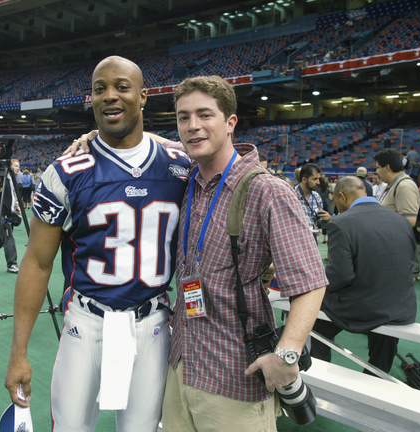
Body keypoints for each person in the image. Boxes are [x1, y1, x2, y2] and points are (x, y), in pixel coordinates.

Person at [5, 56, 190, 432]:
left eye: (122, 87)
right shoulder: (66, 171)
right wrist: (18, 352)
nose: (110, 96)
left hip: (150, 322)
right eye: (99, 88)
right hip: (87, 323)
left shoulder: (182, 165)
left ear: (143, 96)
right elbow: (37, 263)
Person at [162, 76, 326, 432]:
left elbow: (311, 283)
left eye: (205, 115)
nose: (193, 126)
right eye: (183, 117)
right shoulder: (189, 179)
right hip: (182, 364)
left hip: (234, 374)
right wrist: (93, 138)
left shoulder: (267, 190)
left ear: (231, 122)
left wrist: (287, 355)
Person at [310, 176, 416, 375]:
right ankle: (377, 376)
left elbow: (340, 276)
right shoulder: (401, 221)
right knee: (385, 335)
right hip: (402, 306)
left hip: (365, 307)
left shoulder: (340, 223)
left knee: (315, 320)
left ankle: (319, 371)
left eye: (335, 201)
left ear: (341, 196)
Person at [374, 148, 420, 280]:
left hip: (394, 249)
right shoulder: (392, 185)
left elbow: (410, 220)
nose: (376, 171)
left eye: (378, 168)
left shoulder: (404, 186)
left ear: (387, 168)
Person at [0, 159, 22, 274]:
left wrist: (15, 206)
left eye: (18, 166)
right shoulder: (3, 179)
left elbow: (10, 196)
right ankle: (12, 264)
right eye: (15, 166)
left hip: (8, 213)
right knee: (8, 238)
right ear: (9, 168)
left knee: (2, 239)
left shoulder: (11, 179)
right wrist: (2, 174)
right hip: (1, 215)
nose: (18, 168)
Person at [294, 163, 332, 243]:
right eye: (315, 179)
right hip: (295, 239)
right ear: (304, 180)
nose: (318, 182)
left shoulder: (316, 197)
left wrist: (327, 220)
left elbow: (318, 222)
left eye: (319, 179)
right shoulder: (291, 196)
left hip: (312, 239)